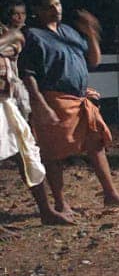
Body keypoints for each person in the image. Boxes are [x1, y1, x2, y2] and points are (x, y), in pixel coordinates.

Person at [18, 0, 119, 211]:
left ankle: (110, 193)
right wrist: (40, 104)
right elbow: (28, 75)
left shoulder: (68, 31)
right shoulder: (33, 36)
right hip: (54, 99)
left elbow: (93, 61)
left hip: (79, 99)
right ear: (37, 10)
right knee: (53, 152)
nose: (55, 9)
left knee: (95, 143)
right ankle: (60, 202)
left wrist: (91, 34)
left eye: (57, 4)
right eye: (49, 6)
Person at [0, 16, 72, 225]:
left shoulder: (4, 28)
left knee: (27, 154)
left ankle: (46, 211)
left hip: (5, 101)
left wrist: (9, 40)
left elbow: (17, 41)